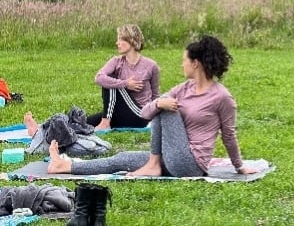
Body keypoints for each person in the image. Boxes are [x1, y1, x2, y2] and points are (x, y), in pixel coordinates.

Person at [47, 35, 257, 177]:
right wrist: (159, 103)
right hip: (171, 156)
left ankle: (153, 164)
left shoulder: (222, 97)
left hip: (191, 164)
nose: (181, 64)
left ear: (196, 63)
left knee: (165, 107)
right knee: (122, 158)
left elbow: (229, 135)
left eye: (184, 60)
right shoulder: (184, 89)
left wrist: (239, 166)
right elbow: (146, 112)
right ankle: (64, 165)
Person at [86, 24, 160, 130]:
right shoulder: (116, 61)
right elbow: (99, 78)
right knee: (85, 122)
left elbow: (156, 95)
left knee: (111, 80)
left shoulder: (151, 66)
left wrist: (155, 119)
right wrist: (126, 84)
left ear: (131, 40)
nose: (117, 43)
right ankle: (61, 124)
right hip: (121, 113)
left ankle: (106, 122)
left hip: (141, 115)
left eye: (120, 39)